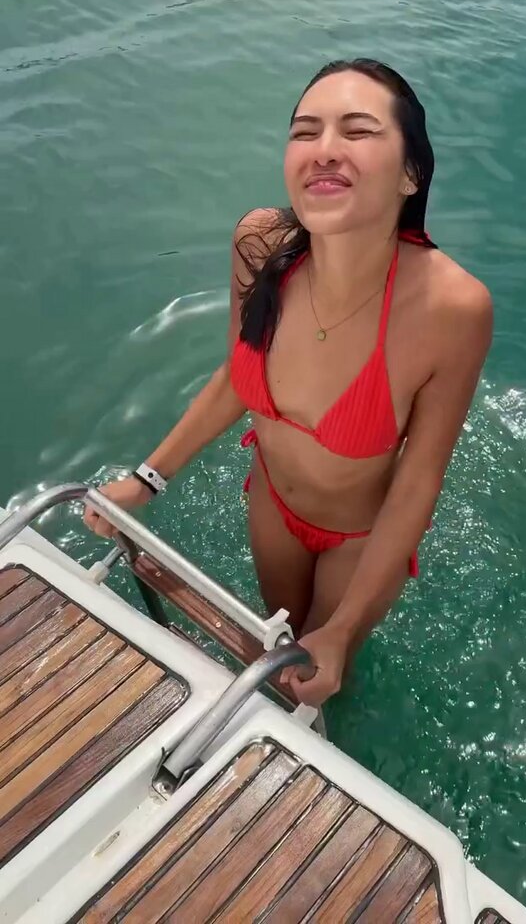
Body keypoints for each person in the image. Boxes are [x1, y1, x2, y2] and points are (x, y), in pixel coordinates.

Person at [84, 58, 493, 708]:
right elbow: (237, 374)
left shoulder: (452, 308)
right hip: (273, 505)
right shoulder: (262, 245)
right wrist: (147, 478)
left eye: (357, 131)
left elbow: (419, 481)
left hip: (358, 540)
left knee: (318, 680)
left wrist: (345, 629)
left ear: (411, 173)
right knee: (272, 655)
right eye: (306, 131)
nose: (324, 149)